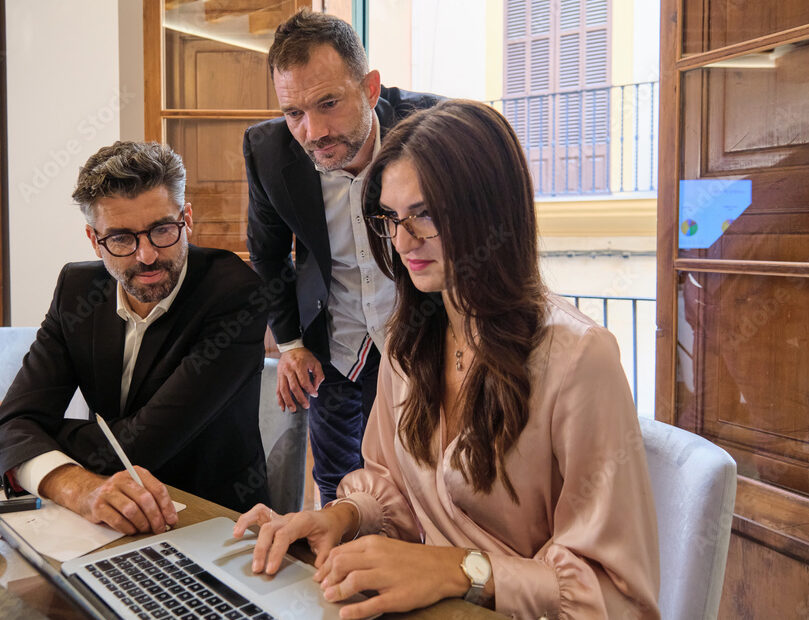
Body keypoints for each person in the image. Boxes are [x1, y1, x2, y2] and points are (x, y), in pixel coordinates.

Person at [234, 101, 660, 619]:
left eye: (425, 215)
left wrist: (460, 570)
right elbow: (391, 487)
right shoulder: (408, 342)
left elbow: (617, 596)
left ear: (492, 213)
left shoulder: (578, 359)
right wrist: (342, 517)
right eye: (390, 218)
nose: (403, 241)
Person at [0, 141, 270, 534]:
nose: (146, 255)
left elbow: (138, 449)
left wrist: (28, 427)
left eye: (163, 230)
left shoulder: (235, 293)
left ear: (187, 218)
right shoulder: (76, 288)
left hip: (211, 519)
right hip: (104, 511)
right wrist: (71, 484)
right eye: (120, 238)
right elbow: (15, 423)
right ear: (93, 238)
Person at [245, 9, 440, 506]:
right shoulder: (268, 152)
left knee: (428, 485)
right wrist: (290, 343)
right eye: (294, 113)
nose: (313, 131)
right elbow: (268, 258)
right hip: (335, 345)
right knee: (337, 487)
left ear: (371, 89)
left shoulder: (436, 129)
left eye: (328, 103)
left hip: (425, 337)